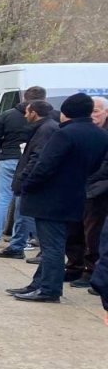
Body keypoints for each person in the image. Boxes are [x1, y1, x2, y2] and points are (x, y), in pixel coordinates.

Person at [9, 93, 108, 302]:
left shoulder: (65, 134)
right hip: (76, 195)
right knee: (55, 243)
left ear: (65, 112)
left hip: (50, 198)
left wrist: (28, 185)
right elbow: (97, 167)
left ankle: (49, 290)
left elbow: (45, 165)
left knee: (51, 246)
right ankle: (38, 284)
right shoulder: (100, 135)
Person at [0, 101, 56, 260]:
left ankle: (26, 247)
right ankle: (17, 246)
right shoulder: (44, 127)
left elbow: (38, 157)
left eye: (27, 112)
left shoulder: (46, 129)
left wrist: (25, 176)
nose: (25, 116)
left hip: (31, 179)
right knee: (21, 213)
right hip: (28, 176)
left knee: (25, 213)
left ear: (34, 112)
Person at [0, 85, 46, 247]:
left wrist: (3, 145)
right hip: (30, 162)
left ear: (24, 98)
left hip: (7, 159)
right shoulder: (49, 119)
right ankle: (24, 239)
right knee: (23, 201)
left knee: (1, 200)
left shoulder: (8, 115)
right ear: (44, 100)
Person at [65, 96, 108, 288]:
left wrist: (89, 180)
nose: (93, 115)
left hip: (98, 191)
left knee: (92, 233)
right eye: (90, 111)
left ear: (106, 112)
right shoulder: (83, 131)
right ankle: (74, 266)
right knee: (73, 230)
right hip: (77, 187)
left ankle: (90, 271)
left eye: (97, 111)